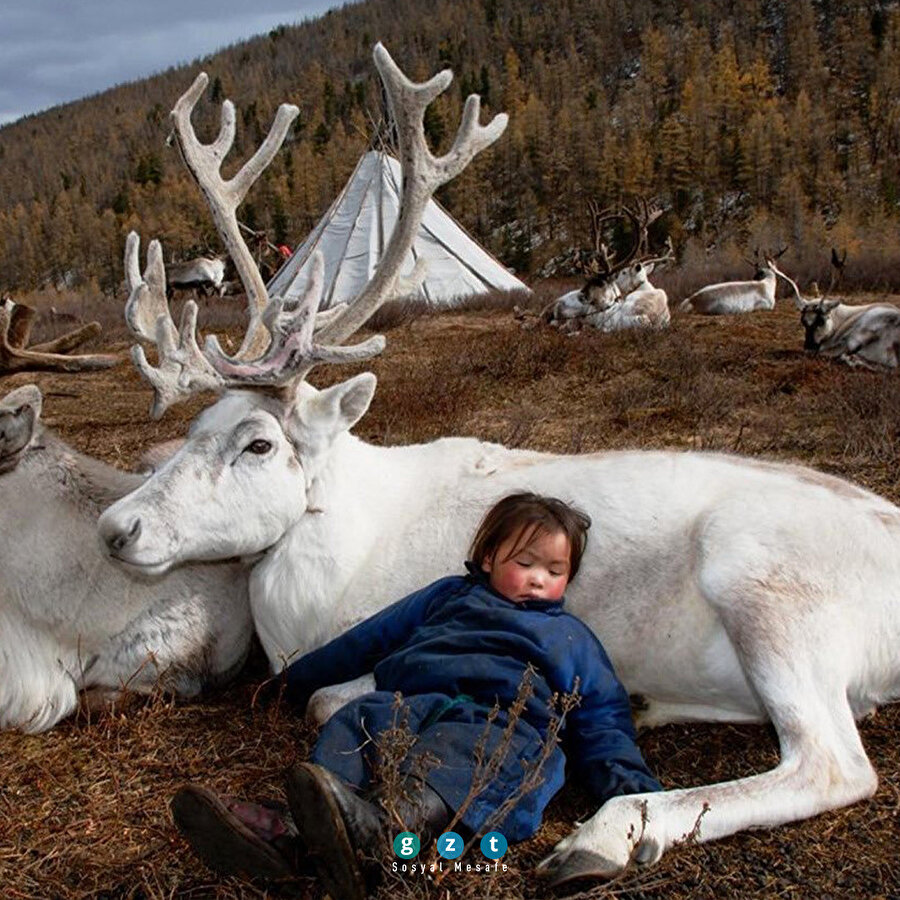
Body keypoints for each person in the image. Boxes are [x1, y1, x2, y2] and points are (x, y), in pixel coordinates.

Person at [172, 493, 660, 900]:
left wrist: (633, 794)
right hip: (409, 704)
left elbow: (602, 718)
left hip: (499, 725)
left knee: (464, 752)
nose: (538, 578)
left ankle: (382, 829)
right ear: (488, 558)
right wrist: (286, 684)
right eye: (524, 562)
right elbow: (369, 640)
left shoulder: (571, 638)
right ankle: (306, 833)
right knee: (358, 720)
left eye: (554, 571)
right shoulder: (447, 596)